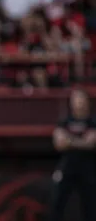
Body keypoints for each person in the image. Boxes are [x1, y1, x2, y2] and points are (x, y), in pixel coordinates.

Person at [48, 88, 96, 221]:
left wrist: (70, 140)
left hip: (89, 169)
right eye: (75, 98)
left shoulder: (93, 122)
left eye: (81, 98)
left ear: (87, 102)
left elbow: (92, 143)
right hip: (67, 167)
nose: (78, 102)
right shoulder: (64, 121)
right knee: (57, 203)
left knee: (91, 207)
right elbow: (59, 143)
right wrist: (82, 141)